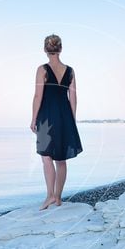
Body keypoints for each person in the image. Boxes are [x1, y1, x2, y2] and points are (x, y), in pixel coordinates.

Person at [30, 34, 83, 210]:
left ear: (45, 49)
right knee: (61, 159)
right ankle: (58, 198)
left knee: (46, 157)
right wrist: (71, 120)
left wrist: (33, 118)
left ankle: (50, 196)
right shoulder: (70, 70)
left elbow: (38, 96)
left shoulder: (42, 69)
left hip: (46, 116)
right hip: (65, 116)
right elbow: (73, 98)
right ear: (60, 49)